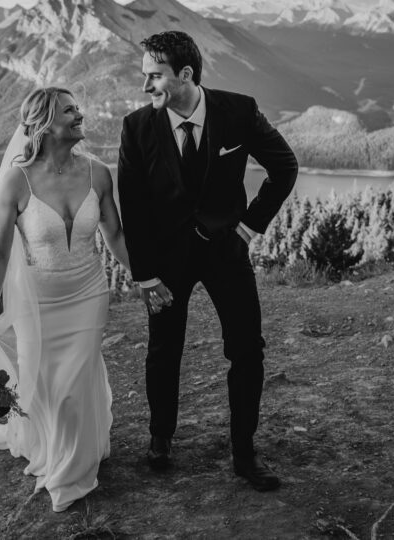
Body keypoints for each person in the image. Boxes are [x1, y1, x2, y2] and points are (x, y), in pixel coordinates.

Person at [118, 30, 299, 491]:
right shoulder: (136, 128)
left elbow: (285, 167)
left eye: (154, 76)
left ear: (185, 74)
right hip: (165, 261)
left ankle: (244, 452)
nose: (145, 87)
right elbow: (133, 208)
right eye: (144, 77)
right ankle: (161, 436)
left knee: (247, 349)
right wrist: (145, 275)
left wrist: (249, 226)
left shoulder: (238, 111)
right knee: (164, 349)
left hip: (226, 252)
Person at [0, 86, 141, 513]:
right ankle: (62, 447)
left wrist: (145, 278)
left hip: (88, 293)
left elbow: (114, 235)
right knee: (46, 388)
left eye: (79, 107)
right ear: (44, 124)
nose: (80, 114)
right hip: (38, 304)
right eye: (70, 110)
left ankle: (69, 474)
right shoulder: (16, 180)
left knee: (72, 387)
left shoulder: (99, 173)